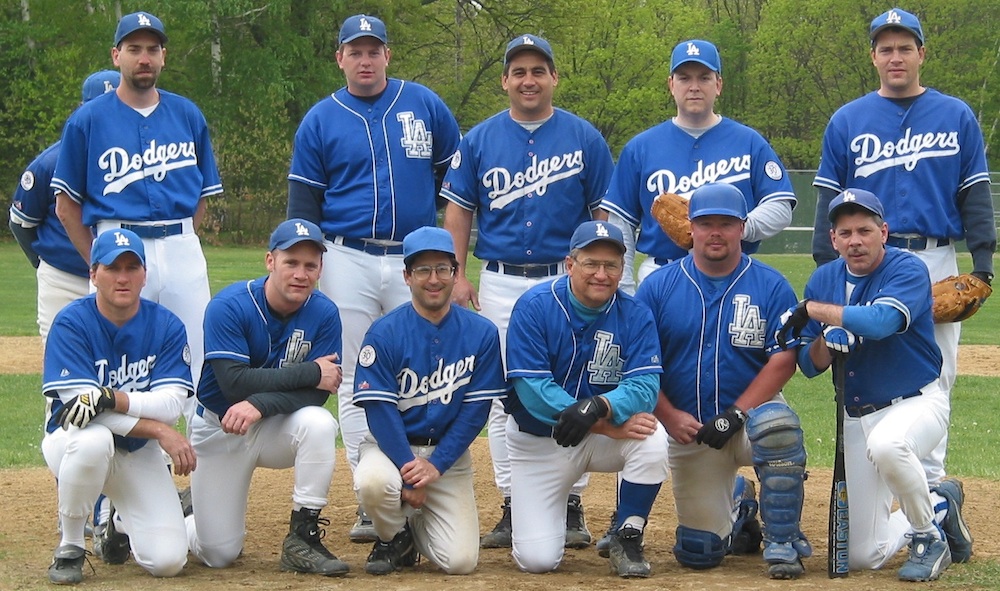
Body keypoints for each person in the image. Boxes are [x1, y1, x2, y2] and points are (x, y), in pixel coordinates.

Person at [287, 13, 462, 541]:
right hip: (348, 256)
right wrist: (309, 266)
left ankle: (423, 476)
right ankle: (373, 491)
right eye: (354, 51)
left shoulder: (424, 104)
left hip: (418, 257)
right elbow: (304, 203)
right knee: (357, 373)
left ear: (387, 55)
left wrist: (453, 256)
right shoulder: (320, 118)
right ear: (339, 57)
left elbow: (457, 184)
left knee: (424, 364)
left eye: (373, 50)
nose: (365, 60)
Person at [441, 33, 614, 549]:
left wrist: (598, 274)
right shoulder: (478, 140)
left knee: (574, 384)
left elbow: (602, 217)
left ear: (554, 78)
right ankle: (514, 502)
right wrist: (457, 273)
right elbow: (459, 211)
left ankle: (571, 501)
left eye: (538, 70)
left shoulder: (584, 138)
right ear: (505, 81)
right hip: (499, 279)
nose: (528, 80)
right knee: (501, 394)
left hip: (568, 280)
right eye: (519, 71)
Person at [811, 7, 996, 488]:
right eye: (886, 48)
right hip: (866, 263)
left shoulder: (955, 114)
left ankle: (933, 487)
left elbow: (974, 193)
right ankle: (873, 480)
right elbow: (828, 201)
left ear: (921, 54)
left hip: (935, 257)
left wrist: (983, 265)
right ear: (873, 56)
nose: (896, 57)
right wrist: (828, 268)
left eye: (905, 48)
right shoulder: (848, 120)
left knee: (937, 373)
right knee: (862, 362)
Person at [780, 188, 971, 581]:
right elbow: (809, 365)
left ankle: (927, 537)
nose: (855, 241)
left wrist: (816, 312)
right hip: (856, 414)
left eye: (864, 230)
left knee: (889, 445)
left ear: (883, 232)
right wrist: (826, 343)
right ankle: (938, 505)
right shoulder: (824, 278)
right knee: (864, 556)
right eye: (845, 232)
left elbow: (883, 323)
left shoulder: (908, 268)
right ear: (833, 239)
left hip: (916, 402)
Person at [635, 183, 811, 579]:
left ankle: (782, 541)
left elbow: (784, 360)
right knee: (700, 553)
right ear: (691, 228)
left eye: (726, 224)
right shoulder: (658, 287)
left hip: (750, 421)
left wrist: (737, 413)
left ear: (742, 228)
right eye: (706, 223)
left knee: (779, 427)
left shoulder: (770, 284)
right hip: (691, 429)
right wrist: (669, 416)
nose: (716, 232)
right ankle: (739, 504)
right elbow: (639, 366)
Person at [52, 11, 223, 403]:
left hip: (180, 244)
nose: (143, 58)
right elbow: (65, 206)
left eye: (152, 49)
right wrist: (100, 261)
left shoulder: (187, 114)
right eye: (134, 49)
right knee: (123, 361)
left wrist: (179, 238)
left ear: (163, 56)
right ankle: (130, 456)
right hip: (116, 241)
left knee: (199, 359)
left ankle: (198, 457)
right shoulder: (87, 120)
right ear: (116, 56)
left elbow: (201, 196)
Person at [184, 219, 349, 576]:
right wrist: (310, 372)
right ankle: (177, 514)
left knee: (319, 424)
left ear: (321, 269)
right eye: (291, 262)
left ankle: (302, 537)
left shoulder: (324, 312)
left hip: (276, 426)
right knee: (219, 553)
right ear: (270, 261)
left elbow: (318, 396)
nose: (301, 274)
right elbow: (234, 384)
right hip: (220, 427)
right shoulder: (229, 305)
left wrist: (261, 404)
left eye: (310, 265)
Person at [503, 220, 668, 578]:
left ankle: (627, 536)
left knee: (652, 438)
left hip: (599, 437)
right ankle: (551, 511)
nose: (601, 274)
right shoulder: (534, 306)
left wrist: (600, 408)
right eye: (591, 263)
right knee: (538, 561)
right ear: (570, 264)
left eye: (611, 265)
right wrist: (604, 425)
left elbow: (645, 386)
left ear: (622, 270)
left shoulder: (635, 314)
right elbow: (530, 388)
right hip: (541, 442)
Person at [42, 228, 195, 585]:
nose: (122, 277)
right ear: (93, 274)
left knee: (168, 561)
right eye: (112, 268)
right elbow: (81, 410)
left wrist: (112, 397)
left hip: (136, 453)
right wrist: (157, 430)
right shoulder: (71, 322)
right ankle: (72, 545)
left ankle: (119, 520)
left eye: (131, 267)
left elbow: (171, 404)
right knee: (94, 440)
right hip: (72, 443)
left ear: (145, 275)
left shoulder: (166, 325)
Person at [352, 227, 507, 575]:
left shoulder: (481, 333)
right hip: (391, 449)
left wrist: (436, 465)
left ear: (455, 274)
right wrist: (409, 472)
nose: (433, 279)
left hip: (447, 458)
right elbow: (380, 410)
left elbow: (475, 411)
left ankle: (411, 527)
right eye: (423, 270)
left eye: (442, 268)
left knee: (461, 562)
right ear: (407, 276)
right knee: (374, 483)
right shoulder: (384, 332)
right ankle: (393, 536)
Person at [598, 38, 796, 292]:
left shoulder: (749, 142)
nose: (694, 87)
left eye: (704, 77)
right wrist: (623, 288)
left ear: (719, 85)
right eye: (684, 78)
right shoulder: (641, 147)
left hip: (733, 273)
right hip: (661, 273)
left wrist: (737, 228)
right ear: (671, 85)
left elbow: (780, 207)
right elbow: (620, 224)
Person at [9, 70, 120, 346]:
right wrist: (43, 262)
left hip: (121, 277)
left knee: (123, 365)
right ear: (81, 110)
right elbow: (21, 223)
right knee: (62, 362)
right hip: (63, 278)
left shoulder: (138, 161)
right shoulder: (50, 162)